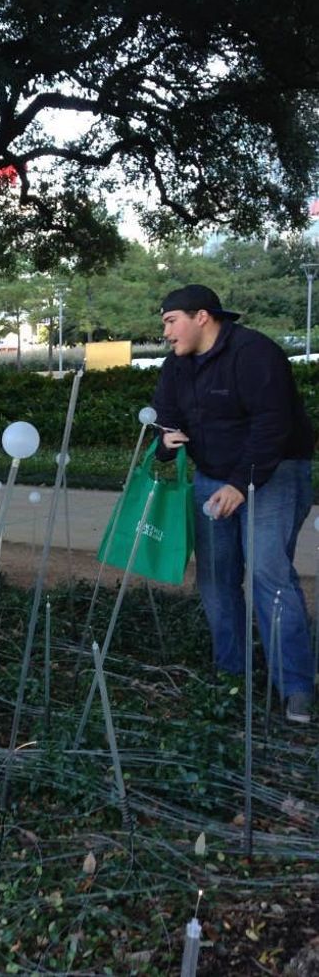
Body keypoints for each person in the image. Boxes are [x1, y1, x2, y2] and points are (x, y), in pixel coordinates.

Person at [152, 284, 315, 722]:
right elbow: (165, 415)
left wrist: (242, 484)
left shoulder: (255, 354)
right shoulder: (177, 365)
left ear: (202, 316)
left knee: (268, 573)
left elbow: (273, 424)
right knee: (215, 578)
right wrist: (165, 442)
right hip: (212, 476)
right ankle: (231, 674)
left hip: (275, 473)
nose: (166, 333)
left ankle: (296, 686)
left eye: (171, 321)